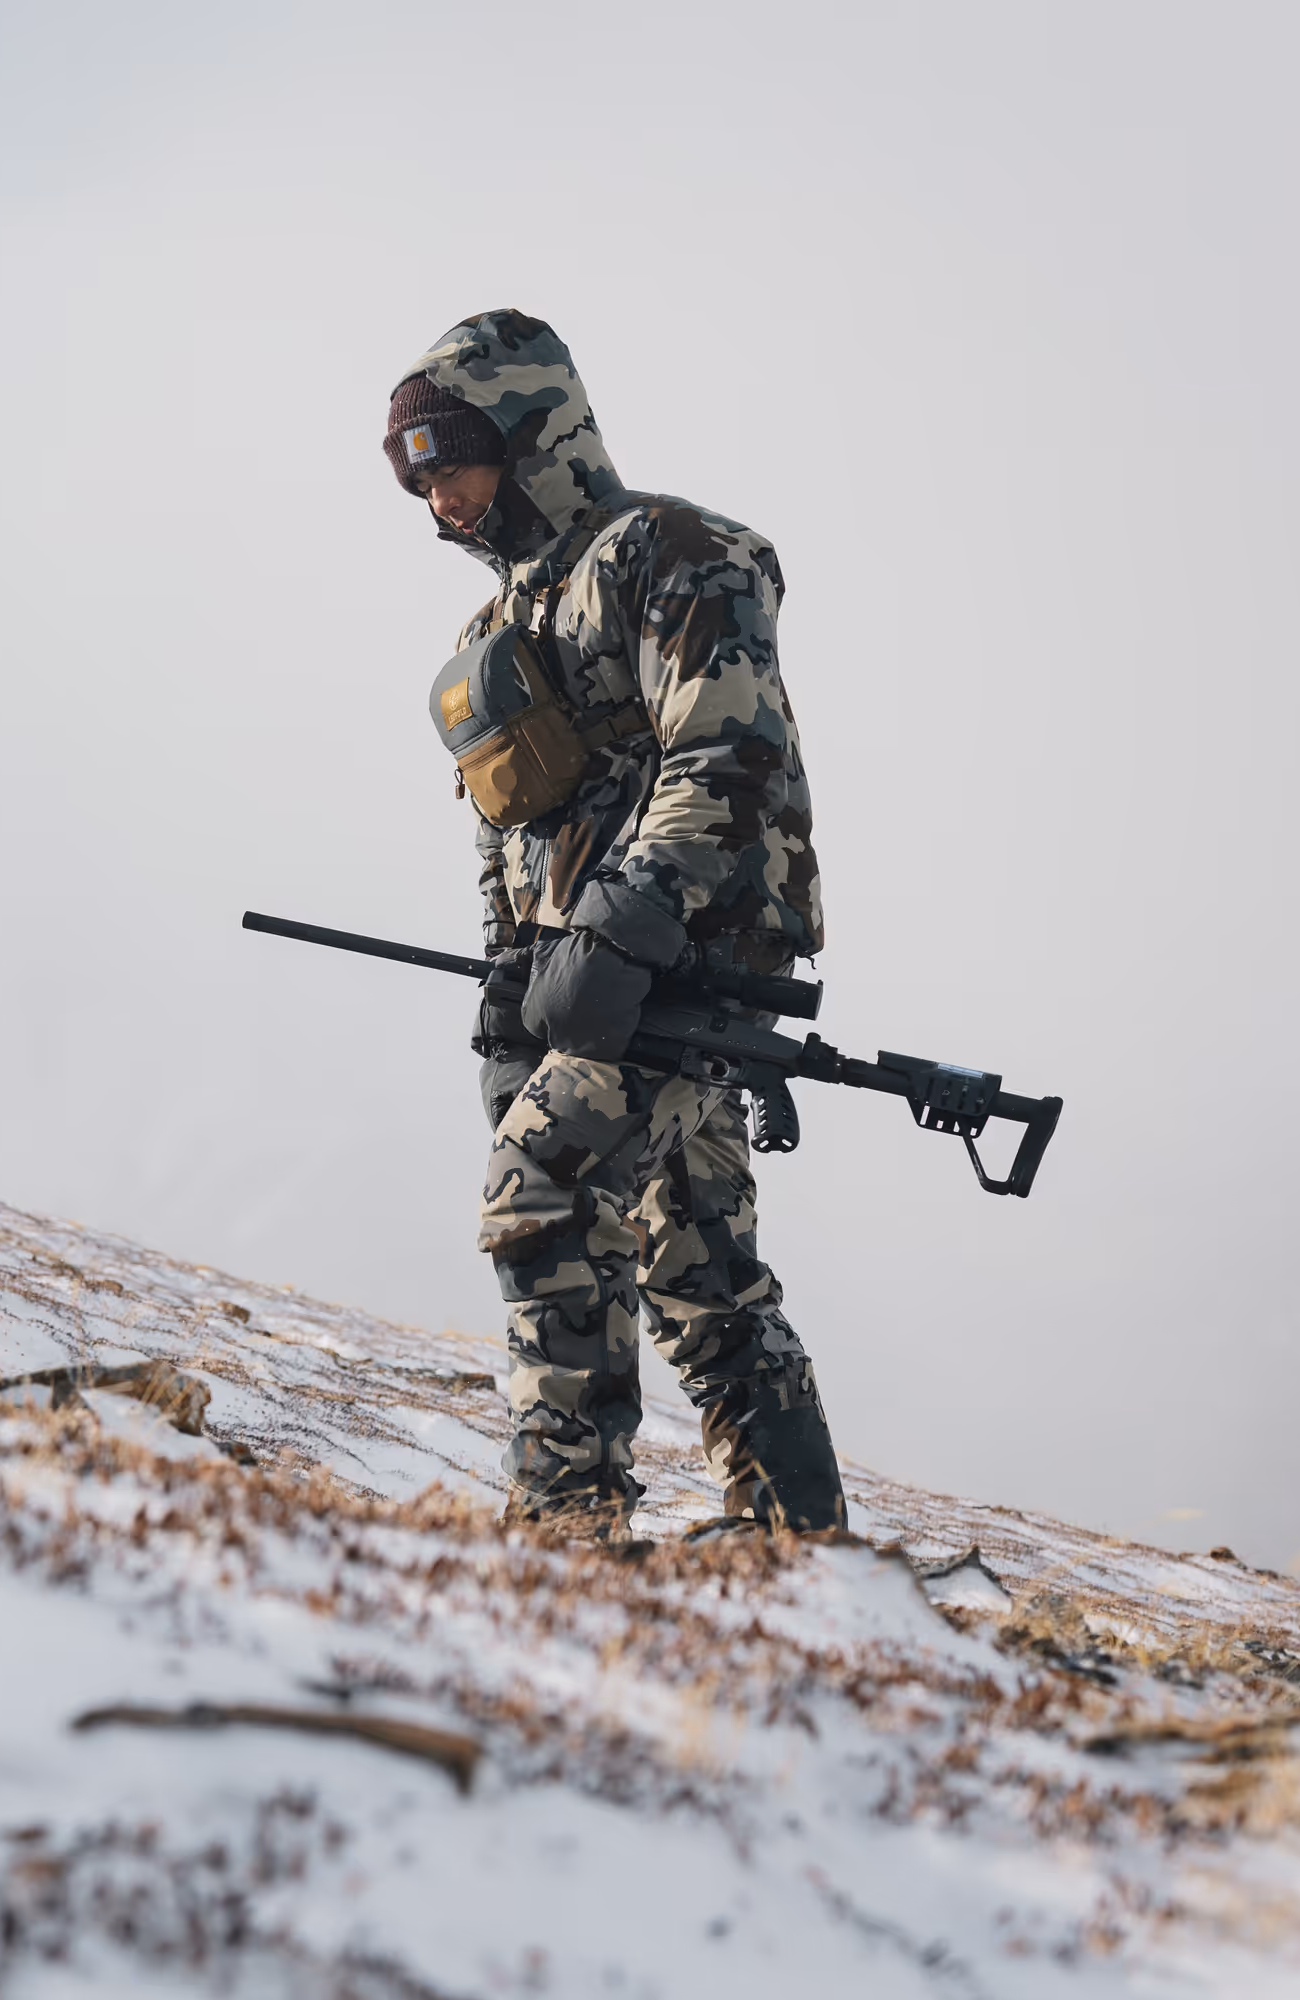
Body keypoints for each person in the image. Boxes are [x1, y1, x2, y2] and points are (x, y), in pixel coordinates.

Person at [383, 310, 845, 1540]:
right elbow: (507, 828)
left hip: (689, 963)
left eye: (455, 465)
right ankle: (806, 1554)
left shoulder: (671, 553)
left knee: (543, 1185)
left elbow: (726, 749)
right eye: (420, 480)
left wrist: (627, 929)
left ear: (531, 435)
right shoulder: (492, 636)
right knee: (705, 1274)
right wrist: (507, 971)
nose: (441, 503)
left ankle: (565, 1536)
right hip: (586, 981)